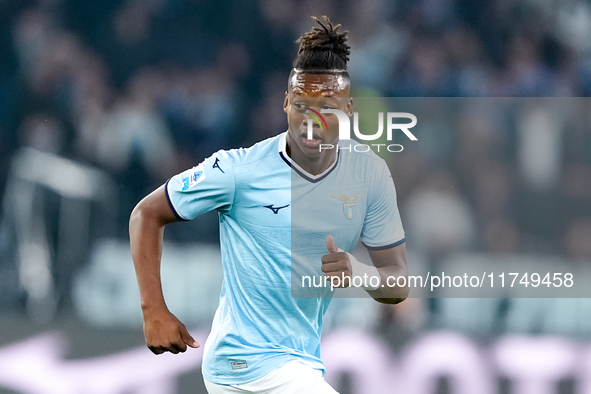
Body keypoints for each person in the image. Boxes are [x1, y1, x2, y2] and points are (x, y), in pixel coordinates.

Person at [129, 16, 409, 394]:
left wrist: (360, 273)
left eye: (327, 106)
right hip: (245, 364)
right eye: (301, 105)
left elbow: (397, 283)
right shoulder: (238, 170)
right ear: (285, 103)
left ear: (349, 111)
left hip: (298, 364)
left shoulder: (369, 177)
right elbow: (147, 213)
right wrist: (153, 311)